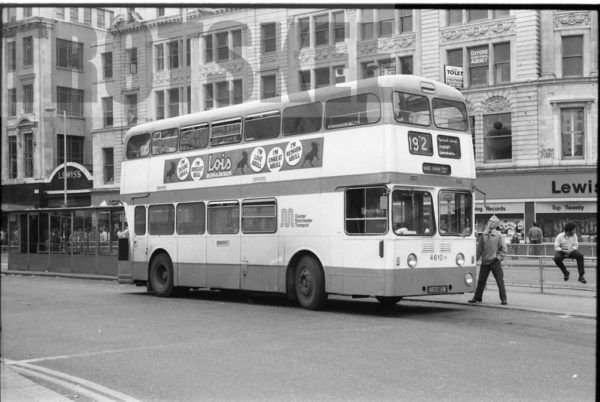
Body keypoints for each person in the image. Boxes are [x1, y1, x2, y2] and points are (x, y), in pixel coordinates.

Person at [469, 215, 508, 305]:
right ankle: (477, 297)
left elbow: (504, 249)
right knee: (481, 281)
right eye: (490, 221)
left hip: (495, 262)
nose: (491, 223)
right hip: (485, 261)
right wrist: (475, 259)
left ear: (496, 224)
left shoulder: (499, 236)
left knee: (499, 281)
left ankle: (503, 299)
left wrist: (498, 258)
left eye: (493, 222)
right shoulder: (484, 234)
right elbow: (479, 249)